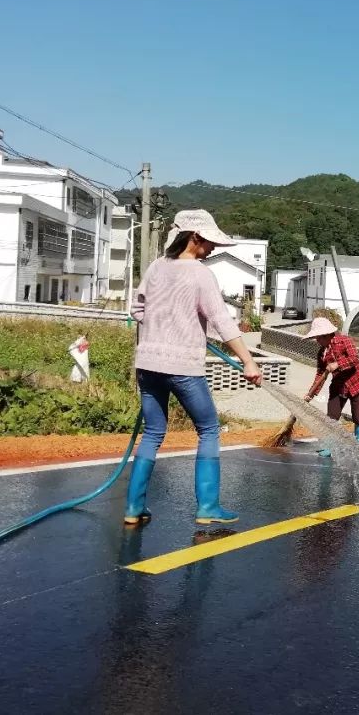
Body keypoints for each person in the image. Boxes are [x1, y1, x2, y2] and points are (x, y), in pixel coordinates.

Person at [124, 209, 263, 526]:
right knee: (209, 429)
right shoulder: (200, 274)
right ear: (195, 238)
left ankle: (133, 509)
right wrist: (248, 361)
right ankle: (208, 507)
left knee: (153, 433)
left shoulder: (156, 268)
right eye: (210, 242)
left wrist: (163, 327)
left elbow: (137, 308)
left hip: (147, 364)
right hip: (183, 367)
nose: (213, 248)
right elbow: (222, 321)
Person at [302, 316, 359, 458]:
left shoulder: (344, 341)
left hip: (357, 384)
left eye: (318, 337)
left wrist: (337, 364)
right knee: (331, 417)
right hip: (339, 386)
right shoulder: (322, 353)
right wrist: (311, 393)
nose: (317, 341)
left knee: (358, 418)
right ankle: (329, 447)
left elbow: (354, 358)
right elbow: (320, 374)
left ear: (326, 335)